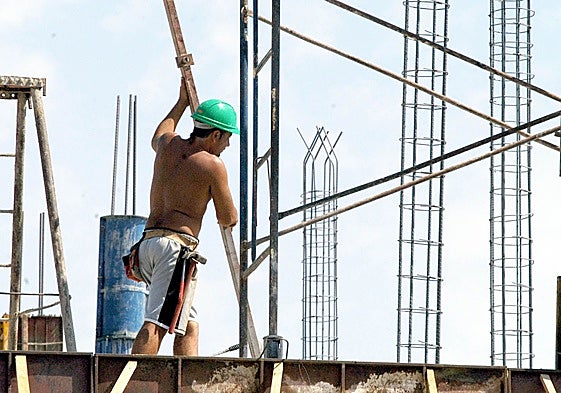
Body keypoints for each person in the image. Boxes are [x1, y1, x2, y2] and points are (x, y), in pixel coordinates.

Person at [131, 79, 239, 356]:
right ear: (215, 135)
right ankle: (132, 383)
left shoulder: (167, 146)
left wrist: (180, 102)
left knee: (189, 324)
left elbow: (161, 132)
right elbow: (228, 218)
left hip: (147, 245)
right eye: (227, 137)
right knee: (156, 323)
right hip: (173, 247)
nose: (227, 145)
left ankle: (187, 383)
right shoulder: (212, 165)